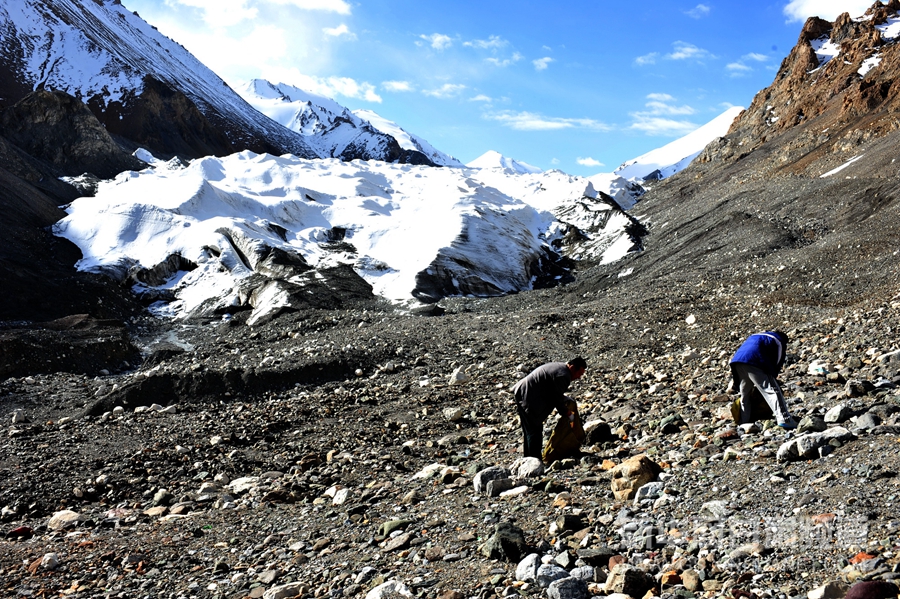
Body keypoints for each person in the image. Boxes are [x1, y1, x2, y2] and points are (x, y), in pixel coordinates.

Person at [513, 357, 587, 459]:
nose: (579, 377)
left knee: (531, 430)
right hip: (527, 396)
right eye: (580, 373)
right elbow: (556, 398)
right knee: (534, 431)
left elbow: (553, 390)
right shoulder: (563, 375)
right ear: (573, 367)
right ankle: (534, 460)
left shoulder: (561, 368)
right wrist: (567, 413)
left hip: (524, 392)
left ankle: (529, 459)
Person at [729, 331, 797, 429]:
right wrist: (773, 375)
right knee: (772, 391)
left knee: (745, 393)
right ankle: (785, 419)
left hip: (737, 362)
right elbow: (778, 359)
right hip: (754, 361)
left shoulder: (756, 335)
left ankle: (744, 422)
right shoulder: (779, 340)